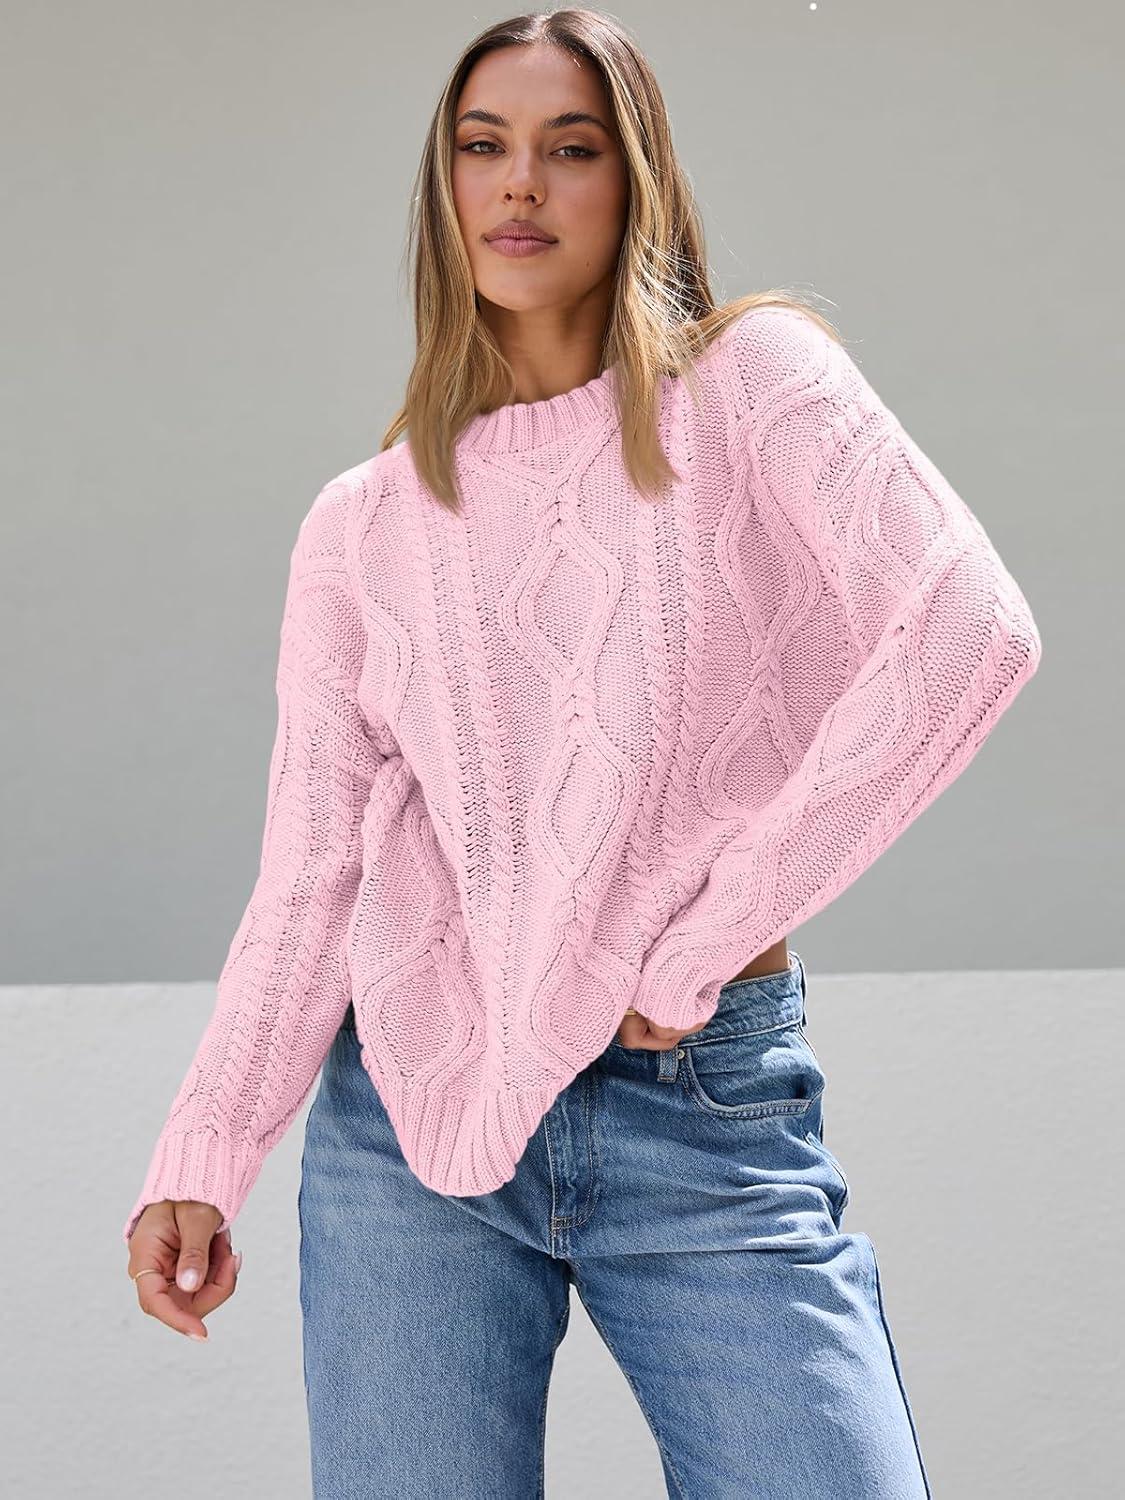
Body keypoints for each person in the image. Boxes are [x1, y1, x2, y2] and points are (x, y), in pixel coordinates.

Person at [123, 10, 1043, 1497]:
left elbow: (968, 635)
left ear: (637, 182)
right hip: (407, 1126)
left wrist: (698, 945)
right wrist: (203, 1149)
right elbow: (310, 874)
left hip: (697, 1097)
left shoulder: (753, 384)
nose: (520, 184)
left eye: (571, 148)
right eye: (482, 147)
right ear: (442, 185)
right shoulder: (360, 528)